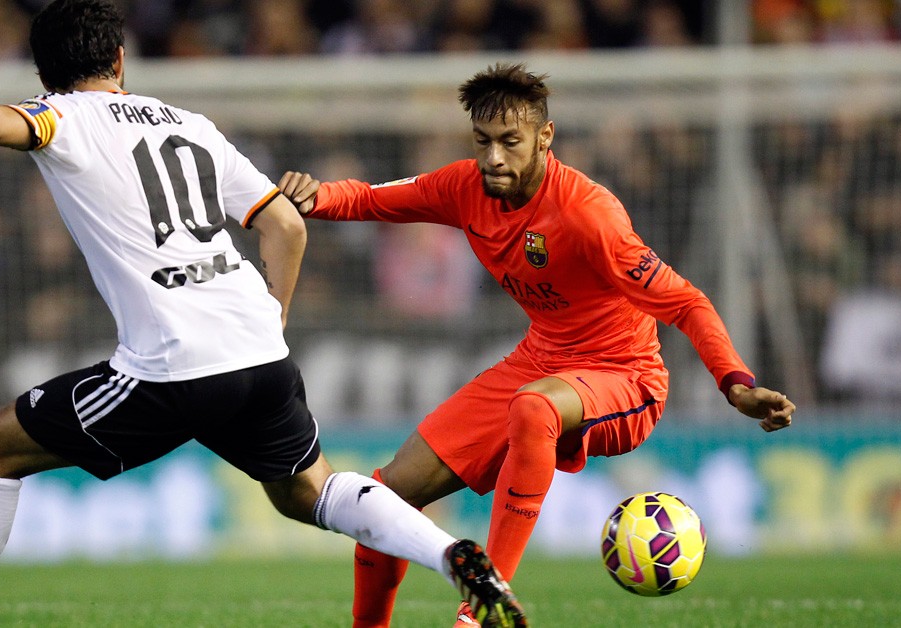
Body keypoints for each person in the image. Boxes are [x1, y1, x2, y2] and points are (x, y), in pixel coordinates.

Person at [0, 2, 528, 627]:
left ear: (42, 76)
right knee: (309, 490)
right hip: (258, 350)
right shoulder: (191, 123)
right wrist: (270, 319)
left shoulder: (65, 116)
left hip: (173, 362)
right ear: (121, 57)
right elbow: (286, 226)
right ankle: (453, 554)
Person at [278, 62, 797, 628]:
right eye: (483, 142)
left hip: (624, 376)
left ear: (544, 138)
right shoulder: (464, 188)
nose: (494, 157)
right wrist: (312, 196)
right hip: (541, 359)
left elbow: (686, 302)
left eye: (510, 142)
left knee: (535, 406)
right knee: (383, 498)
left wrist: (736, 383)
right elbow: (376, 199)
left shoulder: (588, 215)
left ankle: (480, 612)